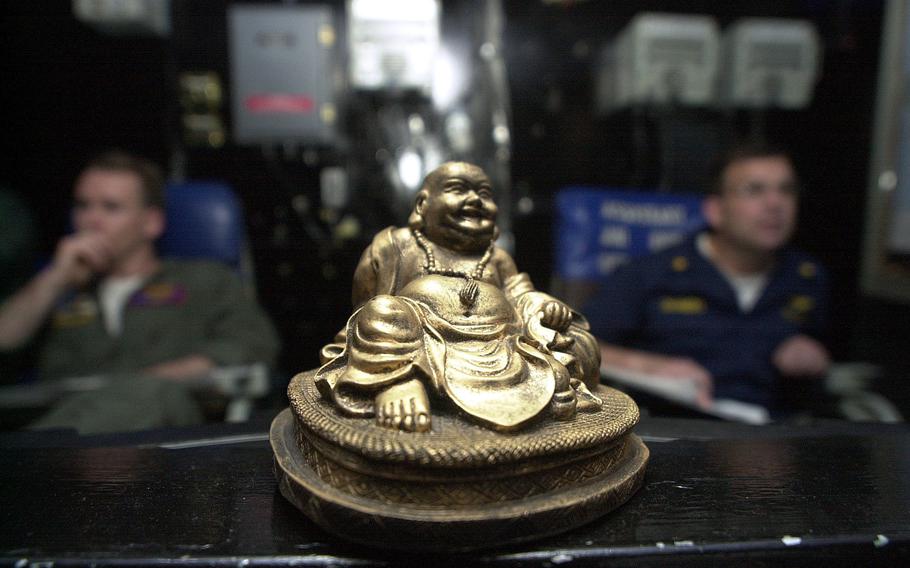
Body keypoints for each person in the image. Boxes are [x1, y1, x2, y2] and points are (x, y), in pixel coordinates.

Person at [0, 150, 279, 432]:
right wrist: (55, 278)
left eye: (110, 207)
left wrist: (153, 380)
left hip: (165, 432)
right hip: (64, 432)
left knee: (153, 394)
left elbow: (253, 345)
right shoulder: (56, 289)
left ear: (151, 222)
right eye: (83, 206)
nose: (91, 220)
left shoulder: (202, 279)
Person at [315, 162, 601, 432]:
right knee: (381, 312)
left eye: (484, 193)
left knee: (577, 341)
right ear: (422, 205)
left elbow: (521, 295)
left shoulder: (497, 257)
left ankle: (540, 385)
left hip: (502, 343)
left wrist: (544, 307)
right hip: (421, 343)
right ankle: (396, 379)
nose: (475, 199)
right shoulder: (395, 246)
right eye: (457, 188)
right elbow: (363, 308)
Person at [584, 144, 830, 414]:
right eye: (755, 190)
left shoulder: (807, 276)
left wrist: (813, 355)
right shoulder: (652, 274)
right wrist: (649, 366)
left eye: (786, 190)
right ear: (715, 210)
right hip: (678, 427)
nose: (775, 204)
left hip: (774, 431)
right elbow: (577, 346)